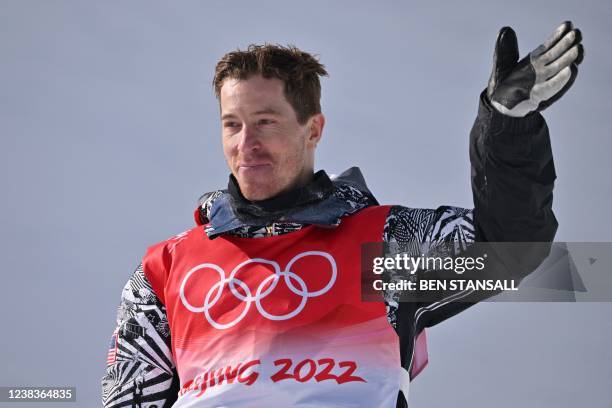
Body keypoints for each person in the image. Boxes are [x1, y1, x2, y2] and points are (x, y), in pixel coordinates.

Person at [101, 21, 584, 408]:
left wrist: (506, 126)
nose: (245, 144)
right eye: (232, 124)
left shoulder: (383, 245)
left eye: (265, 123)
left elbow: (509, 249)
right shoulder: (166, 270)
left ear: (313, 130)